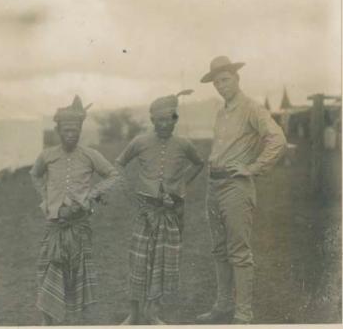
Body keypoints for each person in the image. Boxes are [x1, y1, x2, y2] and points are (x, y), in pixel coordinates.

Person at [196, 56, 287, 324]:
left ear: (237, 79)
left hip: (236, 187)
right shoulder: (222, 111)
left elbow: (278, 139)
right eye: (216, 82)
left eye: (225, 80)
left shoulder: (251, 108)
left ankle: (243, 314)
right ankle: (223, 305)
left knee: (239, 251)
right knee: (218, 249)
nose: (220, 86)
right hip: (213, 185)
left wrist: (254, 167)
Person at [29, 95, 119, 325]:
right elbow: (34, 174)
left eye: (75, 130)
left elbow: (112, 175)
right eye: (66, 130)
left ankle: (74, 321)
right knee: (49, 271)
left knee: (77, 275)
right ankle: (48, 321)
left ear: (80, 130)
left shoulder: (89, 155)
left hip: (79, 227)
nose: (71, 134)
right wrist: (46, 200)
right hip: (55, 226)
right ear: (58, 130)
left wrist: (92, 194)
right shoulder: (47, 155)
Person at [115, 93, 204, 325]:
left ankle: (153, 313)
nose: (165, 124)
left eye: (170, 119)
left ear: (176, 119)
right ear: (152, 120)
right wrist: (130, 192)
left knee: (163, 263)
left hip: (171, 213)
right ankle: (134, 314)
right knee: (138, 261)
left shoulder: (184, 144)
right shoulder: (140, 142)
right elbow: (119, 163)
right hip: (145, 212)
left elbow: (199, 163)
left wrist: (180, 185)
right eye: (160, 119)